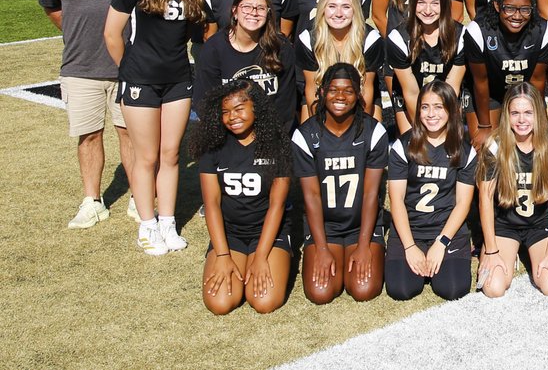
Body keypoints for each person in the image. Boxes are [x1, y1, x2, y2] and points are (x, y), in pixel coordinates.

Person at [40, 0, 143, 229]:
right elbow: (53, 8)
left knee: (130, 134)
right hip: (80, 66)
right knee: (88, 135)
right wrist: (78, 32)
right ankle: (92, 200)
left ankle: (139, 198)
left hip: (127, 66)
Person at [104, 0, 205, 255]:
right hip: (140, 82)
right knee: (146, 157)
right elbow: (111, 34)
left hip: (178, 80)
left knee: (170, 154)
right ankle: (147, 226)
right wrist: (130, 69)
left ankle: (167, 222)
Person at [192, 80, 292, 315]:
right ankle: (233, 257)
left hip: (268, 234)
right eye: (225, 112)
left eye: (239, 109)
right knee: (220, 303)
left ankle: (271, 258)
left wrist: (260, 256)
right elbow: (212, 204)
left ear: (256, 108)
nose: (232, 117)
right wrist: (223, 255)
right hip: (231, 234)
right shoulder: (213, 148)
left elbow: (276, 206)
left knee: (263, 301)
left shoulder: (277, 146)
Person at [292, 63, 388, 304]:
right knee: (320, 292)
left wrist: (365, 244)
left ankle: (361, 248)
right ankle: (327, 249)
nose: (340, 97)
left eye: (348, 91)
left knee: (363, 289)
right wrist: (322, 249)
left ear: (358, 94)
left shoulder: (373, 132)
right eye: (333, 90)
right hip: (326, 228)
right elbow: (311, 197)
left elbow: (370, 193)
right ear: (322, 92)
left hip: (361, 226)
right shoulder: (304, 135)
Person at [385, 80, 478, 301]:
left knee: (452, 289)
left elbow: (463, 203)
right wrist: (409, 246)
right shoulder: (403, 146)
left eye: (438, 107)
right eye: (425, 107)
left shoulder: (464, 150)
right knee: (402, 290)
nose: (431, 114)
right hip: (411, 229)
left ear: (451, 110)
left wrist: (441, 242)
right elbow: (396, 199)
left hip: (447, 231)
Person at [477, 83, 548, 298]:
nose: (521, 120)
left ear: (538, 113)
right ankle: (512, 254)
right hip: (505, 225)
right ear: (506, 116)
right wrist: (491, 250)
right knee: (493, 288)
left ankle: (532, 253)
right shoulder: (495, 145)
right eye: (515, 113)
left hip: (540, 225)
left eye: (528, 112)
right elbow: (485, 199)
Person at [463, 0, 548, 147]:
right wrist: (484, 126)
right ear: (497, 6)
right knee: (487, 146)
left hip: (523, 92)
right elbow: (480, 82)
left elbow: (537, 81)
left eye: (525, 9)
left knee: (533, 142)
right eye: (510, 8)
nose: (517, 16)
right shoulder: (478, 31)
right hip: (490, 93)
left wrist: (537, 119)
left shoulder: (544, 31)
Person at [195, 0, 299, 137]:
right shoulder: (214, 48)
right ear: (234, 12)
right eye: (247, 7)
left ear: (268, 14)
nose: (254, 13)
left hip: (270, 133)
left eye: (261, 8)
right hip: (228, 133)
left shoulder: (281, 47)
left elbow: (285, 103)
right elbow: (205, 101)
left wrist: (268, 135)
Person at [387, 0, 467, 132]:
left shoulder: (461, 36)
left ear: (444, 5)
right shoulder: (399, 38)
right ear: (413, 3)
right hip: (411, 101)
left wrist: (439, 126)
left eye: (435, 3)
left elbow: (452, 88)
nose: (428, 10)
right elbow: (410, 92)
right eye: (421, 3)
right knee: (413, 144)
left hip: (446, 102)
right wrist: (425, 128)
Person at [297, 0, 384, 118]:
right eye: (332, 6)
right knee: (308, 131)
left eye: (346, 7)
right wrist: (319, 125)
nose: (338, 14)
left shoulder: (370, 39)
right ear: (322, 9)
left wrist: (361, 127)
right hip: (321, 99)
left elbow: (367, 88)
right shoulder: (308, 39)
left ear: (355, 9)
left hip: (359, 98)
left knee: (372, 133)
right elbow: (311, 88)